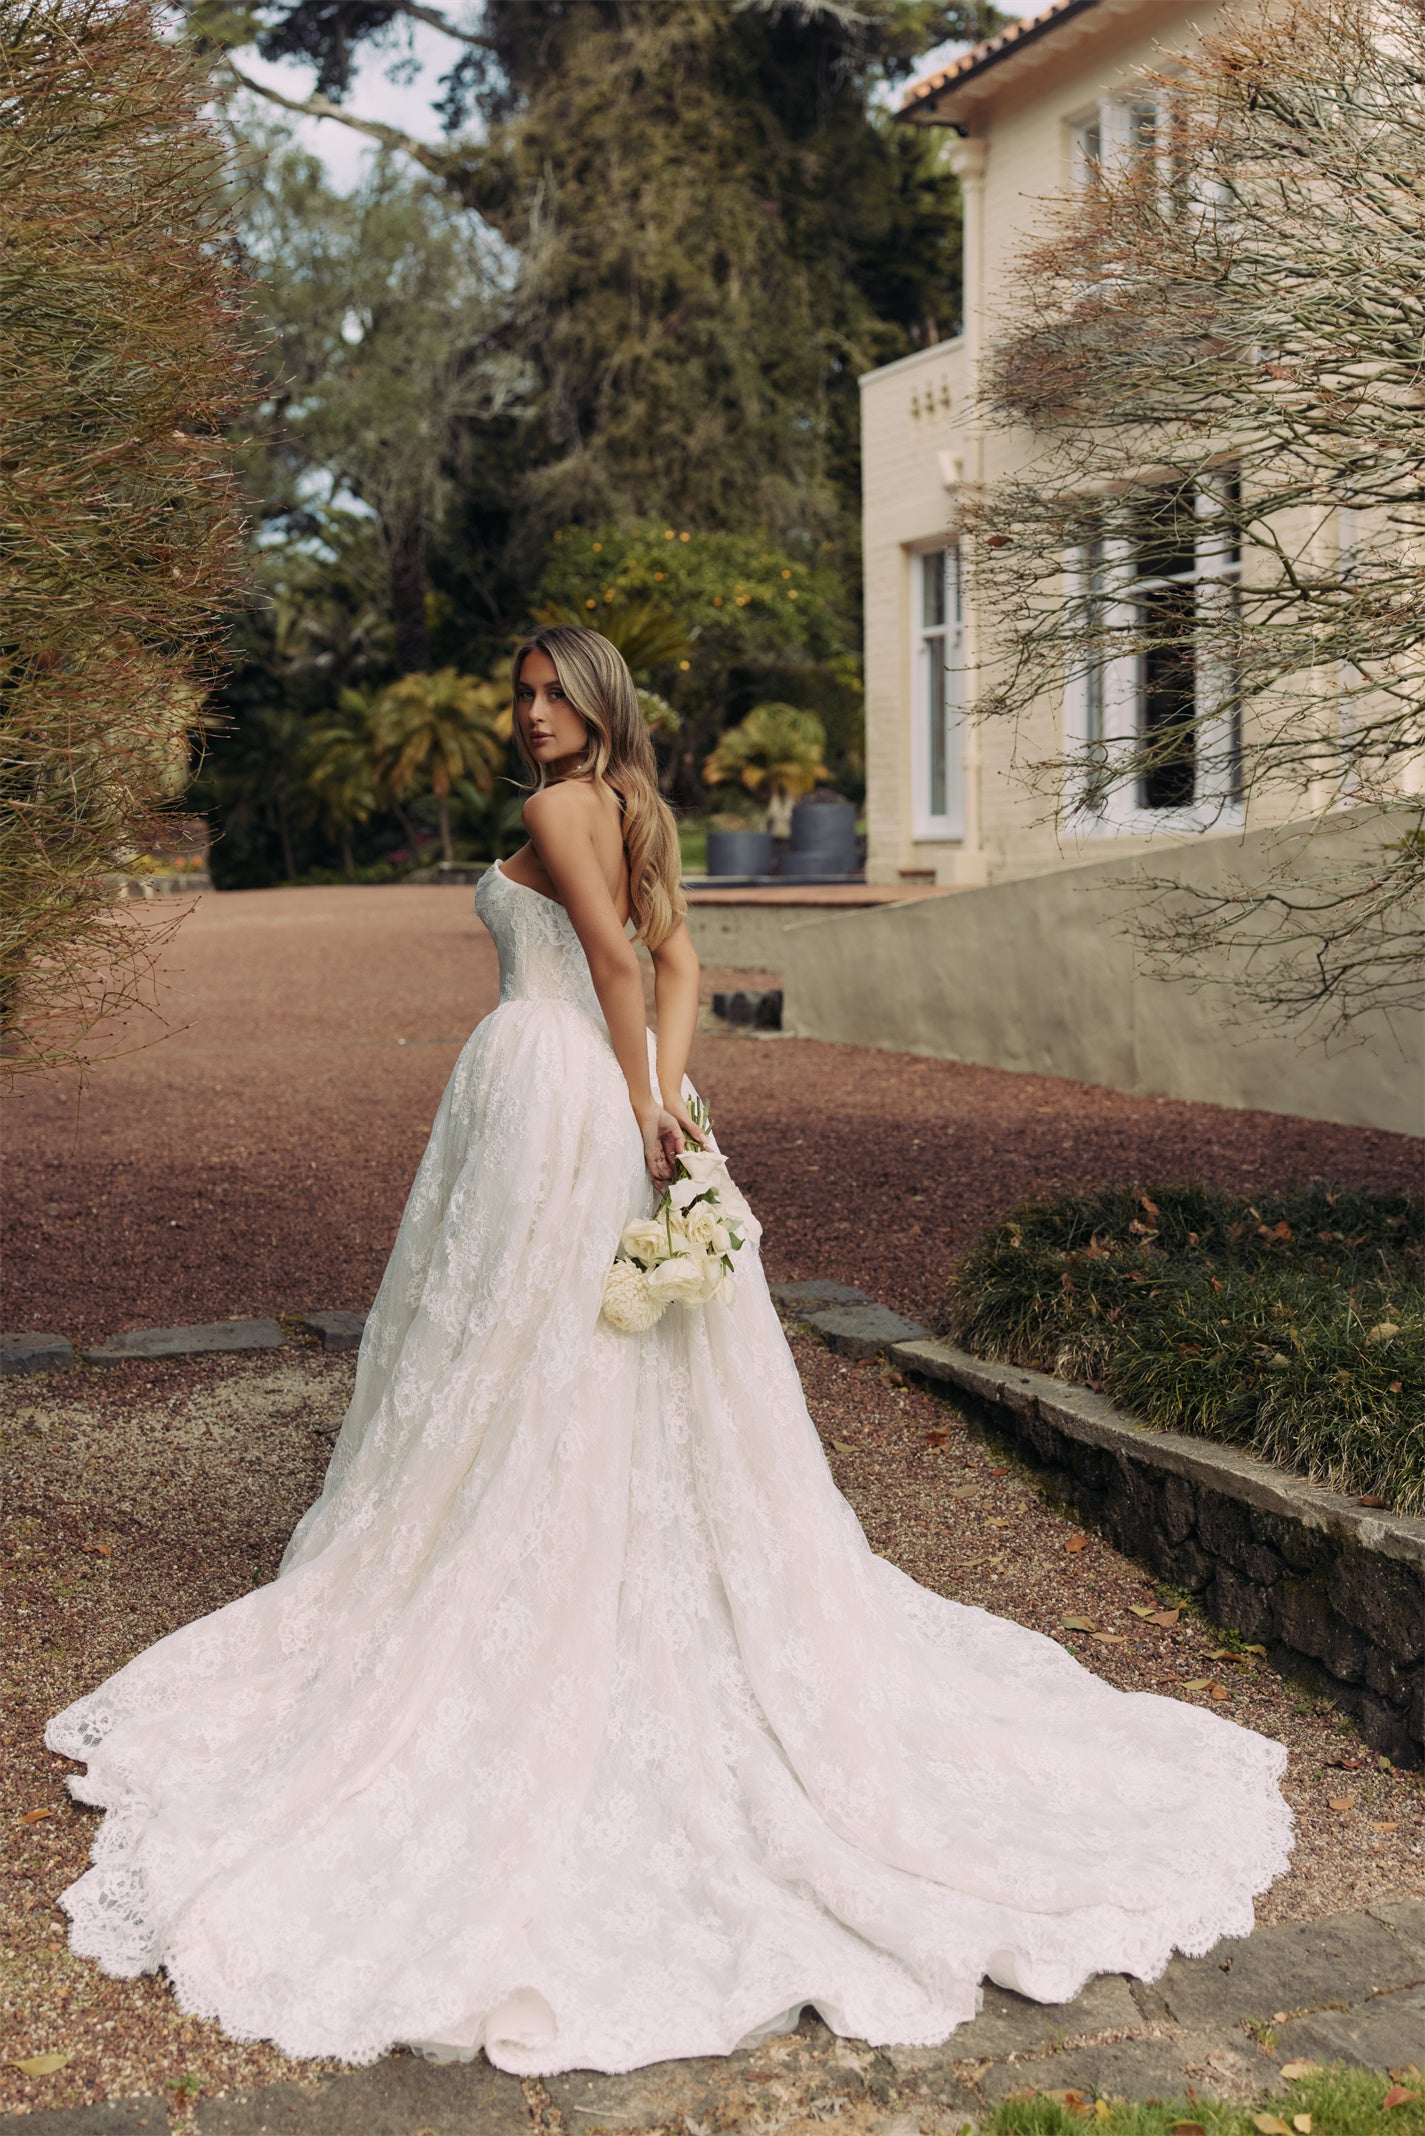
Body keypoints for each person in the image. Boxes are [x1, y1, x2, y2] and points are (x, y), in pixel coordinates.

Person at [45, 626, 1293, 2078]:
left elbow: (625, 963)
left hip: (552, 1095)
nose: (527, 718)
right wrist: (669, 1102)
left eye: (548, 696)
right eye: (518, 696)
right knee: (558, 1350)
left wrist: (640, 1103)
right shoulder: (635, 807)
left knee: (519, 1344)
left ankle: (518, 1550)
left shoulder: (554, 812)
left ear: (595, 708)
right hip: (610, 1095)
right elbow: (680, 955)